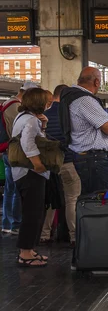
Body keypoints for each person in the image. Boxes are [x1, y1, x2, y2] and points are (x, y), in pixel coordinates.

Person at [59, 67, 108, 195]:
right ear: (97, 82)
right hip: (94, 161)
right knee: (100, 202)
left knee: (92, 201)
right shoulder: (85, 101)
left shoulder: (71, 98)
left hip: (87, 158)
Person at [11, 88, 51, 267]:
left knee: (32, 211)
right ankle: (25, 253)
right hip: (30, 173)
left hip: (22, 172)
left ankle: (29, 249)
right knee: (32, 213)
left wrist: (43, 126)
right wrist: (39, 165)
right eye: (45, 101)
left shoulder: (23, 117)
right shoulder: (31, 120)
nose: (47, 105)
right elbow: (28, 143)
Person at [39, 84, 80, 247]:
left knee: (51, 199)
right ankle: (74, 236)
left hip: (49, 165)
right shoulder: (70, 115)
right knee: (72, 199)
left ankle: (45, 234)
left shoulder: (43, 116)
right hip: (68, 161)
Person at [1, 81, 38, 235]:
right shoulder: (15, 107)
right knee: (16, 188)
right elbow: (19, 133)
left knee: (10, 188)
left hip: (7, 151)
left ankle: (7, 222)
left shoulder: (7, 104)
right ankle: (15, 223)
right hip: (13, 151)